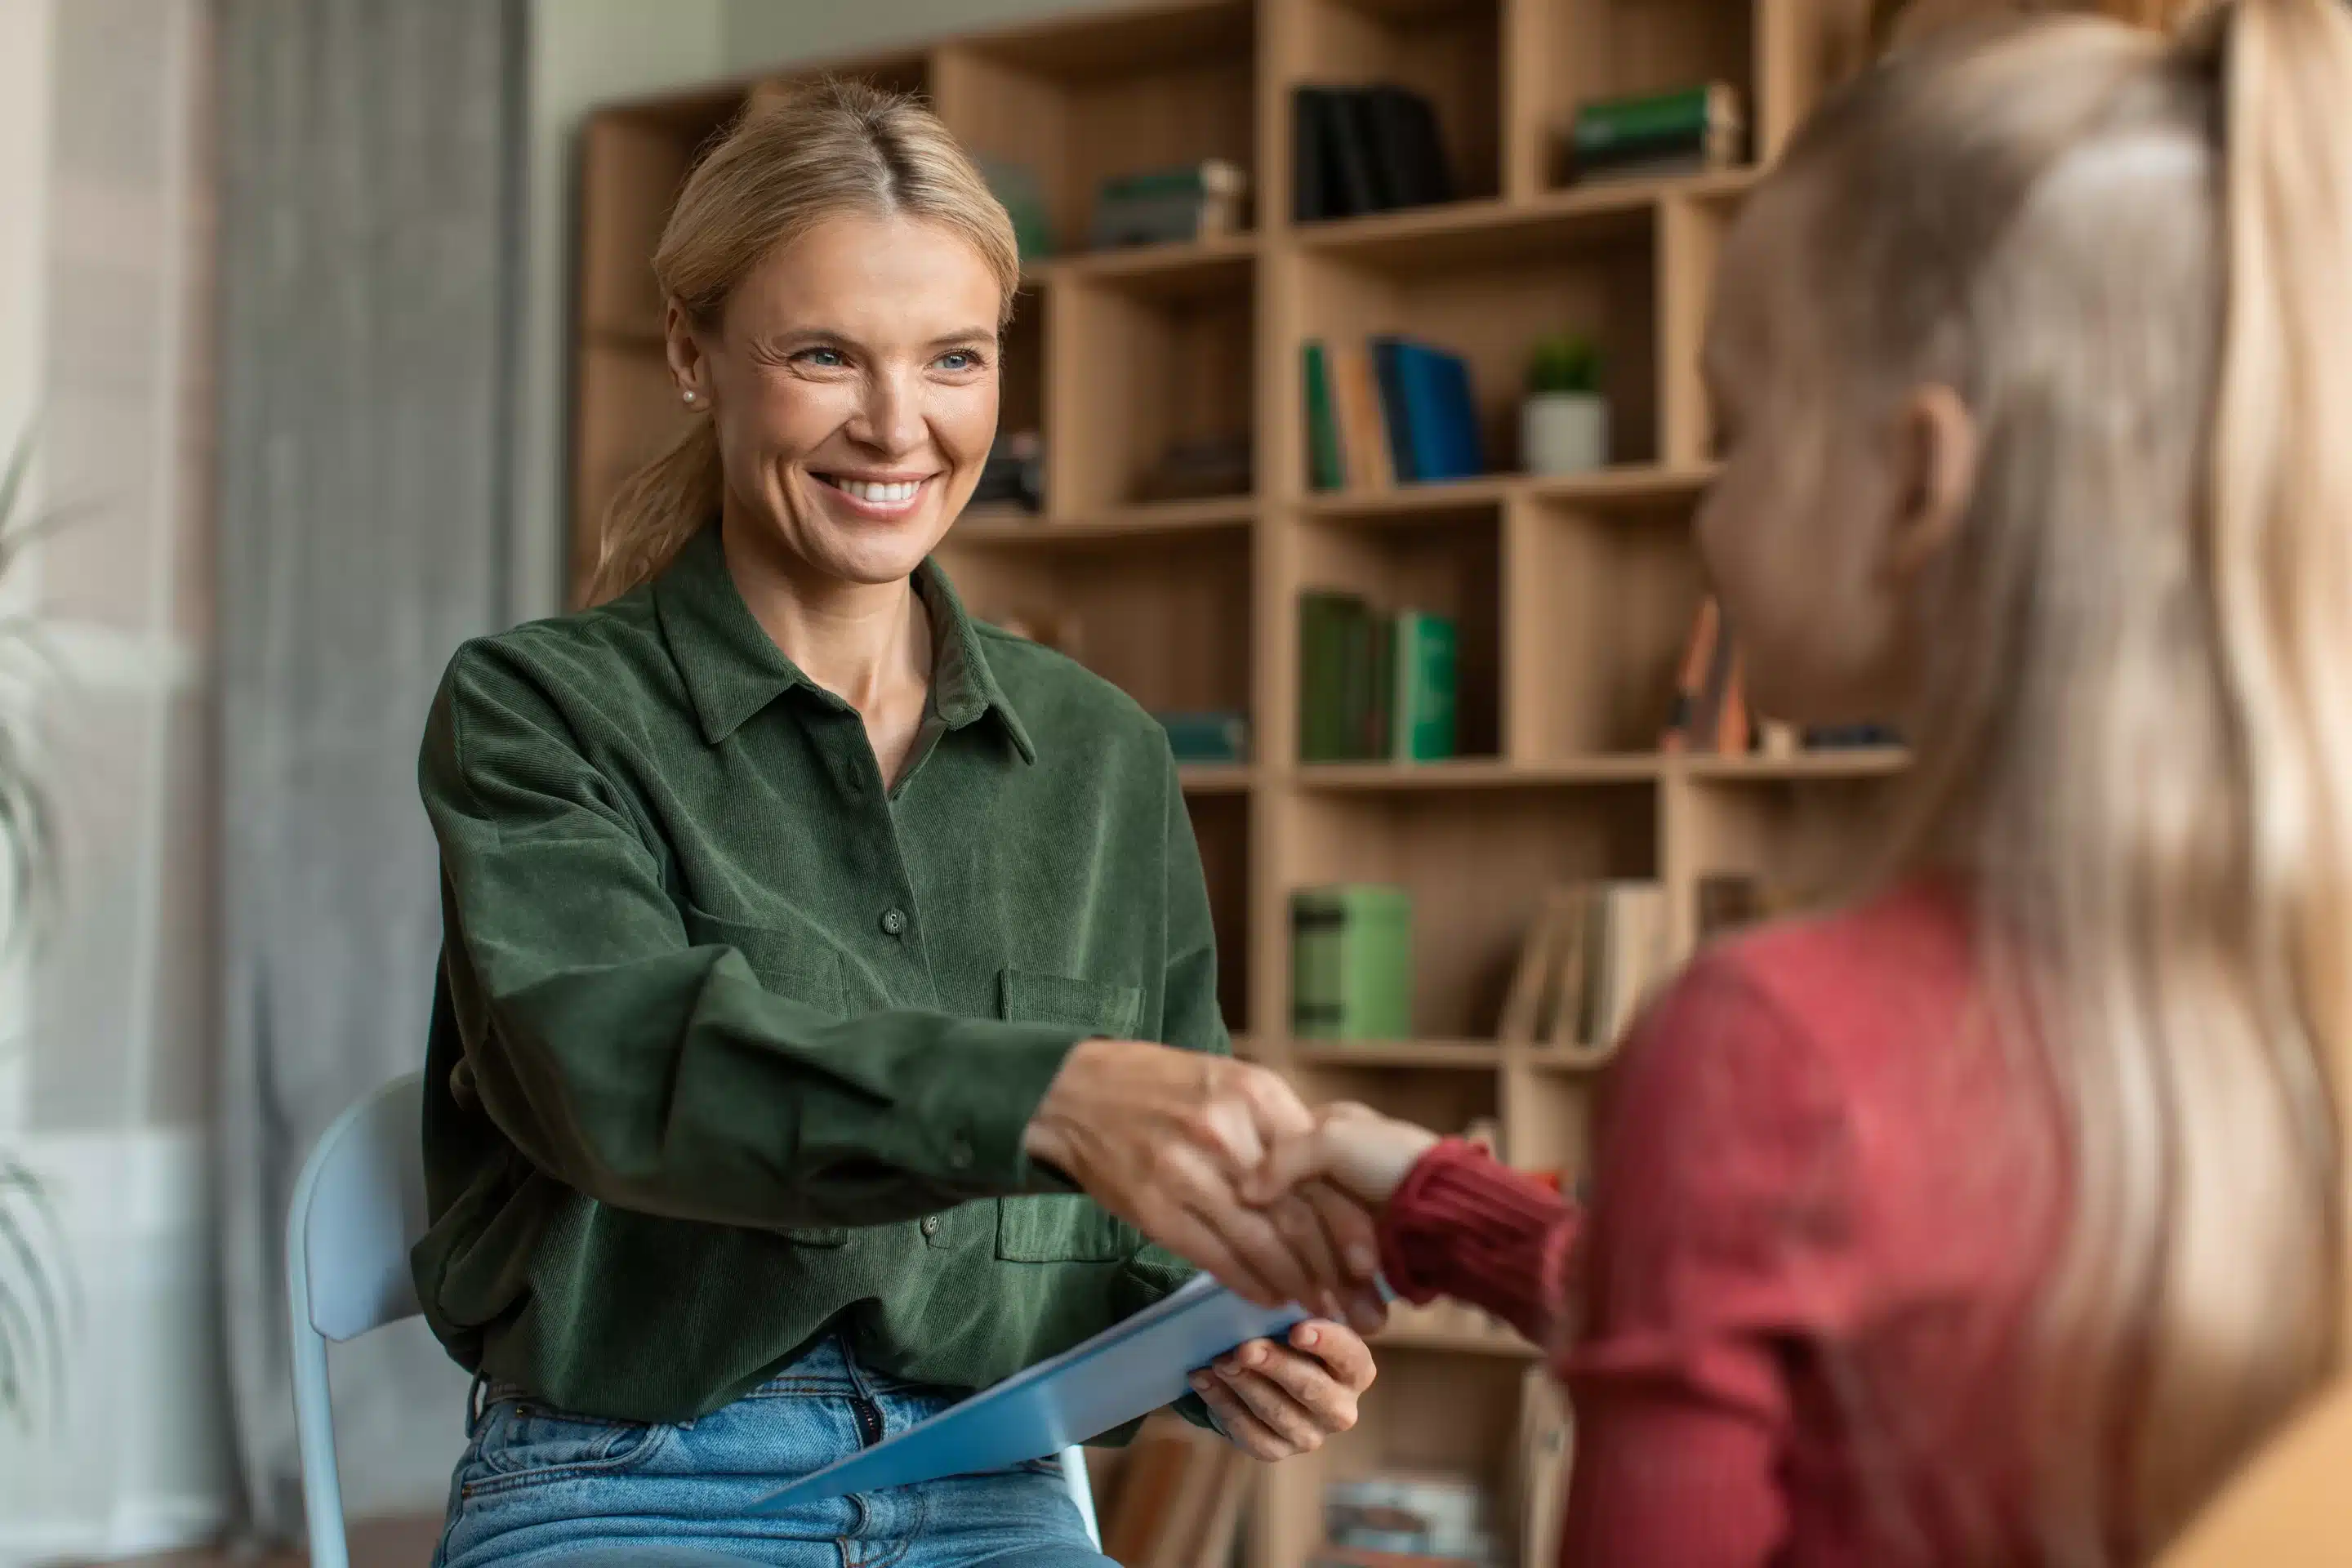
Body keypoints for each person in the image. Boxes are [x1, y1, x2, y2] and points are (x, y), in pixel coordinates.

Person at [1251, 0, 2352, 1561]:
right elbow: (1852, 1337)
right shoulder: (2277, 994)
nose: (1709, 509)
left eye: (1740, 428)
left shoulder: (1771, 1050)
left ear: (1917, 481)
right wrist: (1434, 1198)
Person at [414, 83, 1381, 1567]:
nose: (897, 425)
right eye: (822, 356)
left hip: (997, 1478)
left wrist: (1226, 1338)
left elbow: (1139, 1235)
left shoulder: (1105, 758)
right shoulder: (539, 713)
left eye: (954, 358)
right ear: (694, 355)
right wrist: (1047, 1092)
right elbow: (614, 1070)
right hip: (635, 1477)